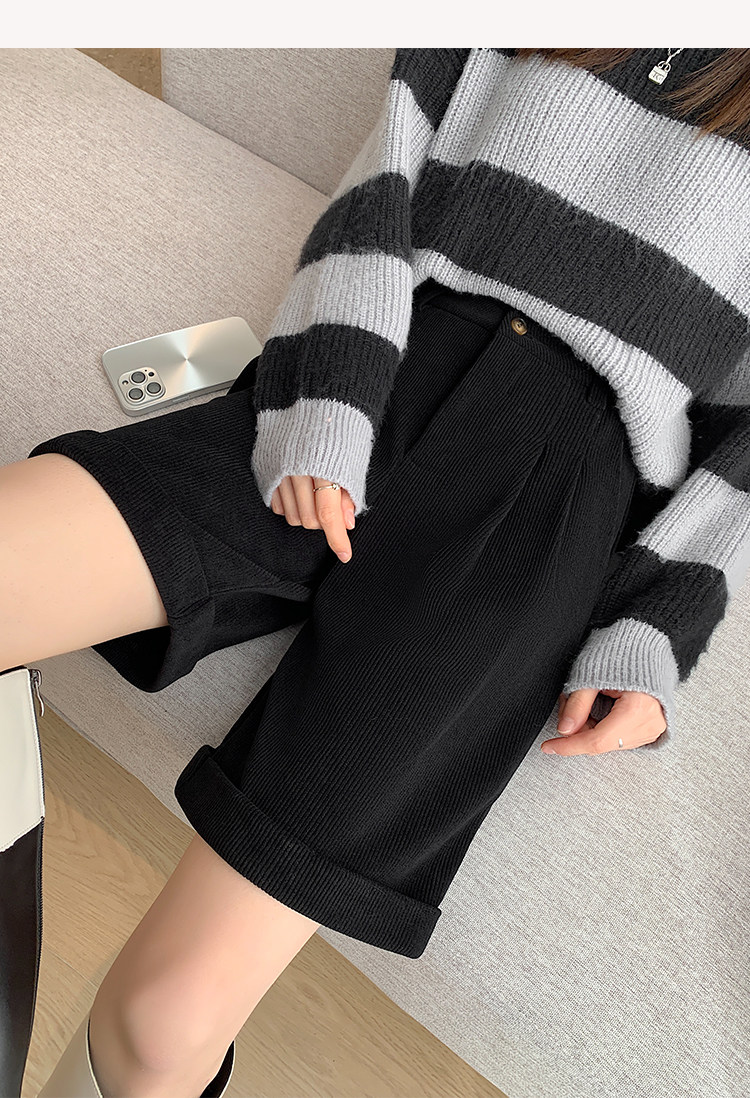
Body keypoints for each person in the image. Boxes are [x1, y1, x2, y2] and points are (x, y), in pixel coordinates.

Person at [2, 46, 748, 1098]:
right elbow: (385, 174)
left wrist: (655, 626)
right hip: (374, 368)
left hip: (549, 509)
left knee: (159, 1030)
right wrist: (331, 392)